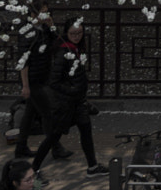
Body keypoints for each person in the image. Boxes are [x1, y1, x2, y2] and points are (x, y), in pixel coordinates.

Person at [32, 17, 106, 174]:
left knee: (86, 130)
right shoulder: (63, 51)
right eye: (73, 33)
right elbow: (54, 82)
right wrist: (72, 90)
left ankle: (92, 166)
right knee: (53, 136)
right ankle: (34, 169)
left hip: (78, 102)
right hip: (65, 103)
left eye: (80, 33)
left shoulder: (74, 48)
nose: (77, 36)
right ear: (67, 32)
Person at [12, 3, 67, 160]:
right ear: (33, 14)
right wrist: (25, 86)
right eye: (43, 13)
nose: (47, 15)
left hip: (42, 77)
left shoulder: (43, 29)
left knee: (30, 114)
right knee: (48, 113)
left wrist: (52, 27)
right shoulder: (27, 31)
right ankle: (55, 147)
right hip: (33, 80)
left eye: (48, 12)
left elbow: (57, 44)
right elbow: (23, 60)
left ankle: (21, 147)